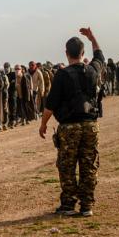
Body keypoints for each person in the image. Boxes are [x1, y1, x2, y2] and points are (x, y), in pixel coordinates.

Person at [39, 27, 105, 217]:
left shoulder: (62, 75)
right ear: (83, 53)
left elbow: (50, 105)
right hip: (90, 125)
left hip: (69, 127)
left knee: (67, 166)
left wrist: (43, 124)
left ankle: (68, 204)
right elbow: (100, 56)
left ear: (66, 54)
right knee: (89, 165)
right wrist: (93, 38)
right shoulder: (93, 71)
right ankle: (86, 205)